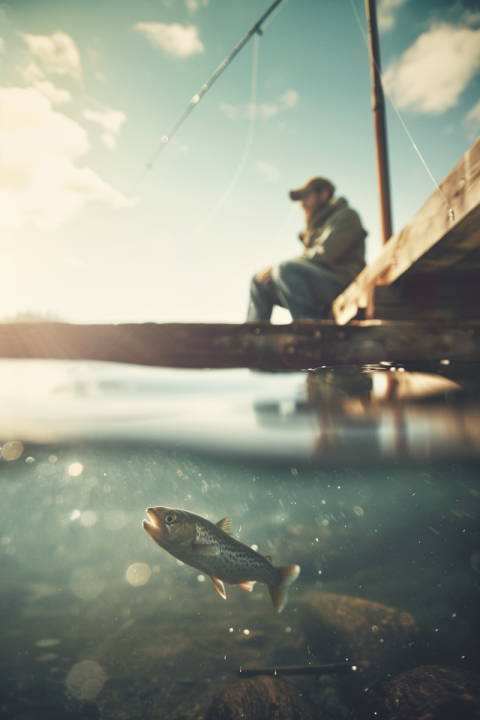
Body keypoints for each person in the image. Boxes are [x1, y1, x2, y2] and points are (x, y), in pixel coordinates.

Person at [246, 177, 367, 321]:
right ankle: (254, 336)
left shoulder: (346, 215)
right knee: (259, 281)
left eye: (306, 197)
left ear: (323, 194)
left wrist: (278, 267)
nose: (302, 204)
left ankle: (310, 329)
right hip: (323, 282)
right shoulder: (316, 227)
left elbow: (325, 255)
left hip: (344, 284)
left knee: (286, 270)